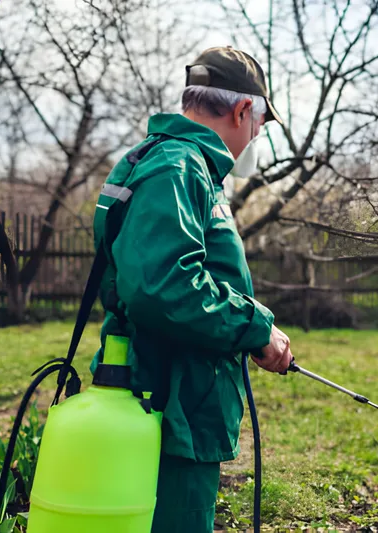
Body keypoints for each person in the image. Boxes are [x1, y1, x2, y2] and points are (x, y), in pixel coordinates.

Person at [89, 46, 294, 532]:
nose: (257, 136)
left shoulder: (179, 165)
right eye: (262, 122)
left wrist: (253, 326)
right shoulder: (177, 168)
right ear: (244, 110)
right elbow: (162, 285)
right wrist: (254, 328)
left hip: (179, 402)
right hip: (169, 406)